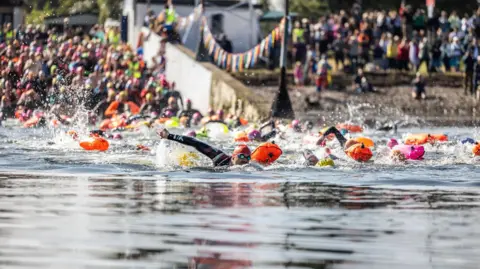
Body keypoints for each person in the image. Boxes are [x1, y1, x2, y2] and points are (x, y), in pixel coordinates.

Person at [157, 128, 251, 166]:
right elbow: (195, 142)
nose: (245, 160)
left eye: (248, 157)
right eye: (242, 156)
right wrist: (169, 136)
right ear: (234, 156)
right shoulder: (219, 157)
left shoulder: (250, 167)